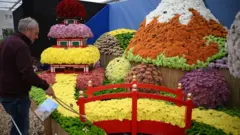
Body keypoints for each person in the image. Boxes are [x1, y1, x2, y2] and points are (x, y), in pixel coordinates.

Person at [0, 17, 55, 135]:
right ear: (27, 30)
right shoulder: (21, 46)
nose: (37, 37)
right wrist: (46, 86)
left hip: (6, 93)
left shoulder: (6, 41)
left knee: (15, 126)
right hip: (16, 96)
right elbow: (28, 74)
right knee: (21, 129)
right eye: (36, 33)